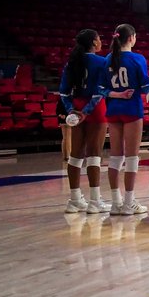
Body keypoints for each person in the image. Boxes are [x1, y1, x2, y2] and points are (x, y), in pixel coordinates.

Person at [102, 23, 149, 215]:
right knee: (131, 158)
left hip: (113, 110)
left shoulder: (108, 59)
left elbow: (102, 89)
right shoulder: (137, 58)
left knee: (115, 157)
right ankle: (129, 202)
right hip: (132, 110)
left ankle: (116, 202)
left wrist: (117, 95)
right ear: (131, 38)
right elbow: (145, 88)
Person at [59, 29, 109, 214]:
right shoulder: (102, 62)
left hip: (76, 105)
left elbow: (64, 92)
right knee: (94, 153)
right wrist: (87, 112)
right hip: (95, 108)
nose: (101, 42)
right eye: (99, 39)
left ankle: (74, 199)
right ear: (94, 43)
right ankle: (95, 200)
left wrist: (72, 109)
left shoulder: (71, 62)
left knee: (75, 154)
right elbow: (100, 90)